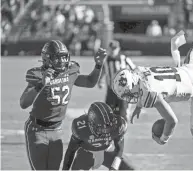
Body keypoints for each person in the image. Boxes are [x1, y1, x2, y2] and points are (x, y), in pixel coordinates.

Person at [111, 0, 193, 170]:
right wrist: (139, 105)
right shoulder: (139, 72)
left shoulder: (149, 94)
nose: (129, 97)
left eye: (128, 93)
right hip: (191, 67)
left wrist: (164, 138)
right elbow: (144, 86)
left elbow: (172, 120)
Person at [20, 40, 107, 170]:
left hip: (56, 130)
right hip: (37, 129)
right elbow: (23, 103)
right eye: (57, 58)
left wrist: (98, 65)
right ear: (47, 59)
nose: (62, 61)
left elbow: (89, 82)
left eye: (64, 57)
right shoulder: (37, 75)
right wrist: (41, 84)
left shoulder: (70, 70)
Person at [62, 102, 135, 170]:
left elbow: (119, 149)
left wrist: (114, 168)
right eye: (102, 129)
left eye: (108, 128)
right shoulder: (81, 128)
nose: (106, 133)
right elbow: (71, 151)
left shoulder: (118, 125)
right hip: (86, 154)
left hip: (107, 151)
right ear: (91, 124)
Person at [98, 40, 136, 121]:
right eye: (111, 49)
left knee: (123, 113)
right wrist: (101, 81)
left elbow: (135, 70)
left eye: (114, 49)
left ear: (118, 49)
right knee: (109, 112)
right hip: (111, 90)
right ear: (108, 49)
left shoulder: (124, 59)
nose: (113, 51)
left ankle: (122, 130)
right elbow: (103, 72)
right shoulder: (106, 61)